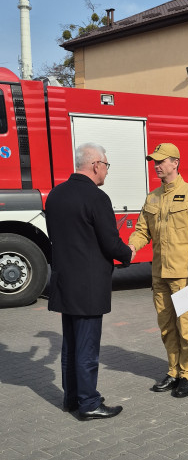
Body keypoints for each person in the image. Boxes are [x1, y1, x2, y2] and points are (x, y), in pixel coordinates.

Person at [45, 143, 132, 420]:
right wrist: (127, 253)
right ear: (95, 165)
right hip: (89, 286)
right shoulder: (96, 197)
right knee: (86, 348)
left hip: (64, 283)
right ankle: (90, 403)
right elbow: (110, 242)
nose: (106, 171)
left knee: (70, 345)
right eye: (106, 165)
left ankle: (71, 398)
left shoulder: (56, 194)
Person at [128, 143, 188, 398]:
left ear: (175, 163)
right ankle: (173, 370)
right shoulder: (152, 197)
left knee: (185, 327)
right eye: (154, 160)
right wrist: (129, 248)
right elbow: (143, 230)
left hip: (185, 276)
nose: (157, 164)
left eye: (161, 161)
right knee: (166, 327)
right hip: (160, 275)